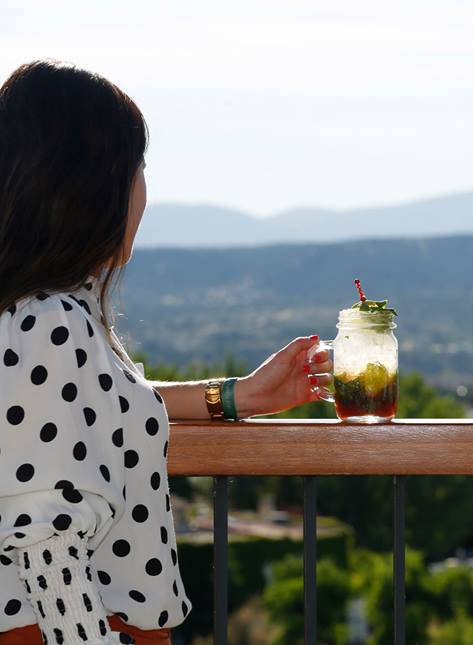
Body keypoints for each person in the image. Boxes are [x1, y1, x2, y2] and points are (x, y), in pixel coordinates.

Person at [0, 61, 332, 645]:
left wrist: (237, 396)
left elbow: (93, 409)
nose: (143, 192)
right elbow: (47, 545)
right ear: (87, 186)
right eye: (138, 168)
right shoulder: (51, 321)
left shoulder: (35, 314)